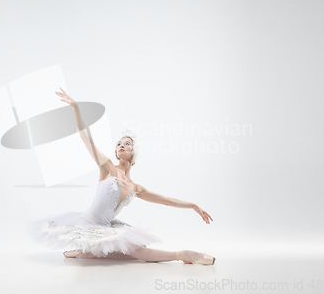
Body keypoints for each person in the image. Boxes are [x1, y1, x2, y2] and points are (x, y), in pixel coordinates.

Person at [28, 87, 215, 265]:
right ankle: (180, 255)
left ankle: (182, 255)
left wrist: (193, 206)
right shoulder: (107, 167)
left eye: (126, 143)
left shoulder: (136, 188)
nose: (121, 145)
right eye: (118, 144)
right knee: (116, 253)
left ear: (133, 153)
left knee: (133, 251)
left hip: (107, 227)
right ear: (117, 152)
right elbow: (85, 137)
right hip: (87, 223)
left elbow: (166, 200)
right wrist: (76, 107)